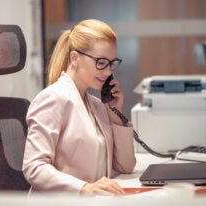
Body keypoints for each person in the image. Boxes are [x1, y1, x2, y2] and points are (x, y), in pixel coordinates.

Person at [22, 19, 136, 196]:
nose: (107, 72)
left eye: (111, 64)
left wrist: (115, 115)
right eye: (101, 62)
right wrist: (83, 188)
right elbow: (34, 167)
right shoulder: (52, 99)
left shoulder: (97, 106)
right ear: (74, 58)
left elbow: (125, 166)